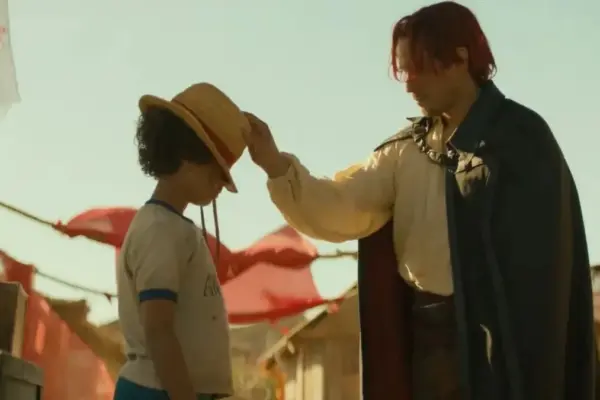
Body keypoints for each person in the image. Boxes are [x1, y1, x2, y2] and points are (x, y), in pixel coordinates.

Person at [243, 2, 597, 399]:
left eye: (417, 68)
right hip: (430, 345)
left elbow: (545, 273)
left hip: (506, 347)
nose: (408, 84)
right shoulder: (404, 152)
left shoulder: (522, 140)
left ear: (460, 58)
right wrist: (274, 164)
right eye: (402, 71)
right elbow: (342, 206)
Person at [113, 83, 250, 400]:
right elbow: (158, 329)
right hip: (159, 391)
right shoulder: (159, 229)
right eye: (217, 172)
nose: (221, 184)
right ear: (188, 157)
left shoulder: (174, 227)